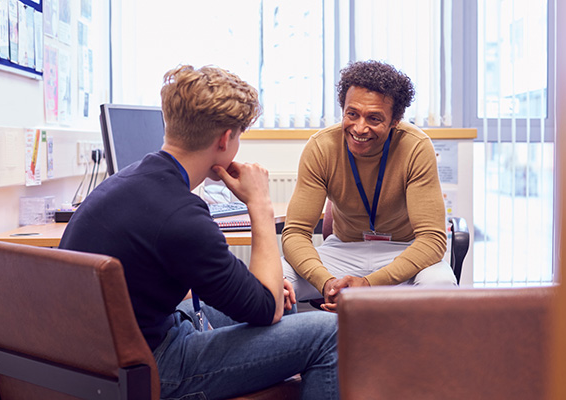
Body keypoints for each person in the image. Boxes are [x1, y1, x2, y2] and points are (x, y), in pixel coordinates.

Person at [60, 65, 339, 400]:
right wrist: (260, 205)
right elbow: (265, 309)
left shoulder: (128, 180)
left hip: (96, 356)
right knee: (331, 332)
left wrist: (261, 292)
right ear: (225, 138)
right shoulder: (181, 216)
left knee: (285, 301)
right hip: (150, 367)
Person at [282, 60, 456, 312]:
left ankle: (414, 352)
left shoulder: (416, 147)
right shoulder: (321, 147)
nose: (359, 128)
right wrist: (327, 283)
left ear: (395, 120)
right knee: (273, 279)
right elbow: (295, 233)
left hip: (403, 251)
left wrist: (369, 284)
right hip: (343, 251)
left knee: (440, 285)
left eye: (374, 118)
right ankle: (301, 347)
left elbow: (432, 240)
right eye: (352, 114)